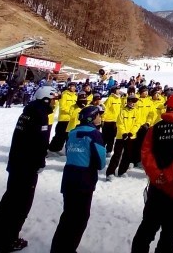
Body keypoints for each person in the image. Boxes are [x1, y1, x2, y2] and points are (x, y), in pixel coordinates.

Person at [0, 85, 57, 252]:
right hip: (27, 165)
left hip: (17, 162)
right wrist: (39, 162)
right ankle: (8, 241)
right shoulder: (40, 115)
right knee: (20, 204)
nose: (55, 103)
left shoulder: (29, 111)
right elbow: (39, 142)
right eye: (54, 99)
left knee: (9, 199)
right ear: (46, 99)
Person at [131, 94, 173, 253]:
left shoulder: (155, 128)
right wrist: (168, 174)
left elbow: (145, 153)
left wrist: (156, 175)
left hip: (156, 186)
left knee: (147, 227)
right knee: (170, 231)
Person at [50, 105, 106, 253]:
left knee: (68, 215)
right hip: (84, 180)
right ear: (92, 118)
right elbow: (101, 162)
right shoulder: (95, 134)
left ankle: (57, 249)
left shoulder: (72, 132)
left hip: (69, 177)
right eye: (98, 115)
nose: (100, 117)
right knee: (80, 218)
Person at [106, 94, 140, 179]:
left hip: (131, 137)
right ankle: (110, 173)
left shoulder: (137, 111)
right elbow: (119, 123)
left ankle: (122, 171)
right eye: (132, 101)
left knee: (127, 155)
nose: (133, 103)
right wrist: (124, 133)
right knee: (117, 155)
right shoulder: (122, 111)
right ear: (128, 102)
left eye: (135, 101)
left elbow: (137, 123)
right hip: (121, 136)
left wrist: (131, 133)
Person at [48, 82, 77, 154]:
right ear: (69, 87)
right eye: (72, 86)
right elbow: (62, 107)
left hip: (72, 119)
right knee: (60, 135)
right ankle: (53, 149)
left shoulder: (75, 96)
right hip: (64, 119)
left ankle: (67, 149)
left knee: (69, 136)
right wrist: (71, 111)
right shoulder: (64, 95)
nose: (73, 88)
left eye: (74, 86)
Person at [101, 85, 122, 155]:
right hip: (108, 121)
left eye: (119, 89)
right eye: (117, 89)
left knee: (112, 137)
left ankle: (109, 150)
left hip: (115, 121)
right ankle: (101, 149)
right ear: (114, 91)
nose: (118, 91)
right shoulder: (110, 99)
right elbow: (105, 109)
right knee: (105, 137)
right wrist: (103, 119)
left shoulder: (119, 99)